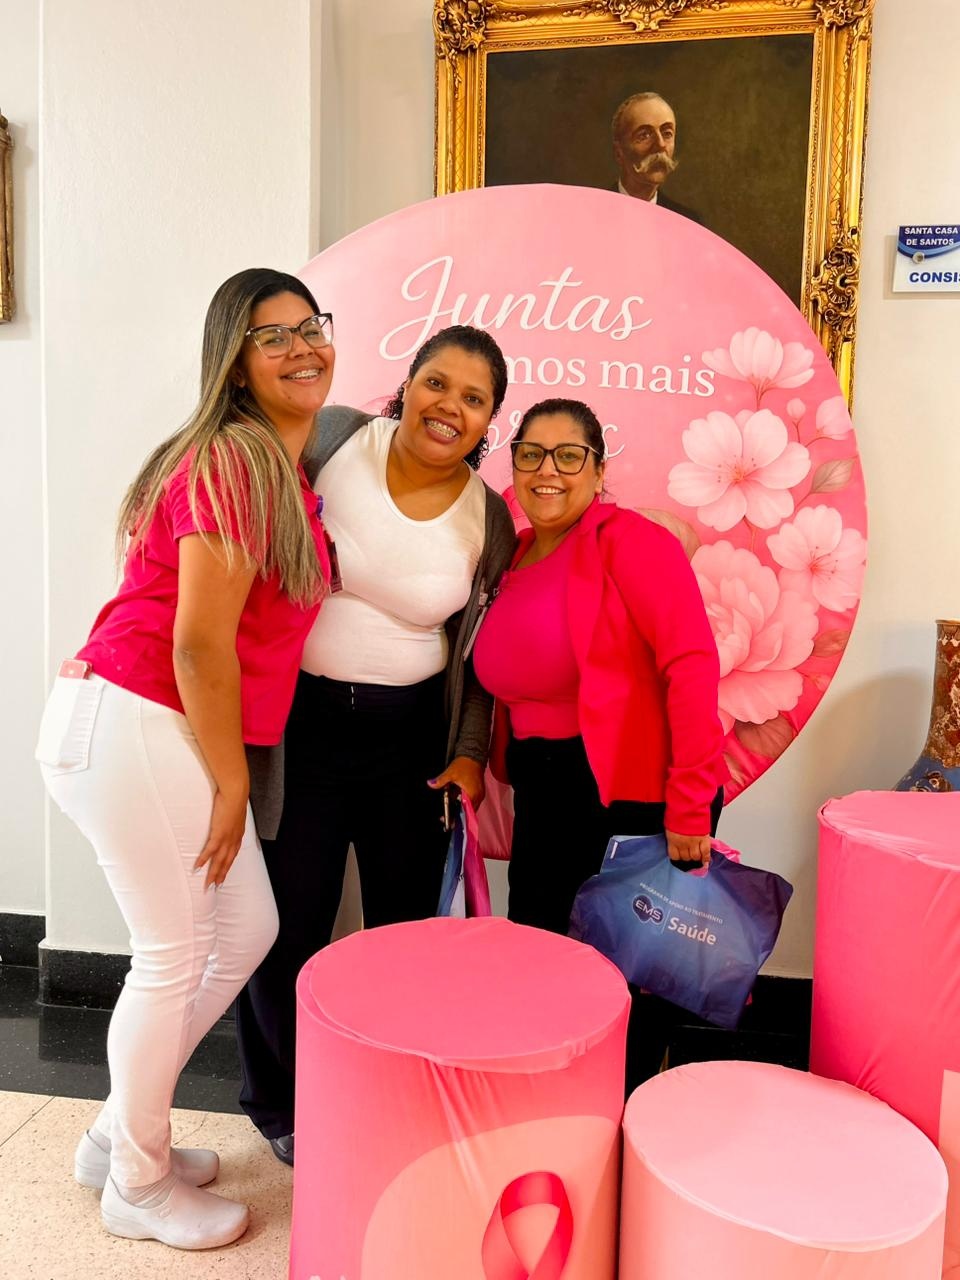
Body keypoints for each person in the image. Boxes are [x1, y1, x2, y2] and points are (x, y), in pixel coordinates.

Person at [35, 268, 336, 1249]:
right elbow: (200, 644)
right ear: (235, 364)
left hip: (150, 724)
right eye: (271, 336)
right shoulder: (238, 460)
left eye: (311, 326)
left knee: (245, 929)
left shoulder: (278, 469)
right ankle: (138, 1182)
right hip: (136, 717)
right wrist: (235, 780)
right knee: (171, 956)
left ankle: (118, 1134)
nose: (302, 347)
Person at [235, 324, 517, 1165]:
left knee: (403, 936)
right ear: (408, 385)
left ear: (489, 420)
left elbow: (481, 657)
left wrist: (469, 753)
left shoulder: (489, 518)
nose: (449, 407)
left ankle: (389, 1096)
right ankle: (280, 1106)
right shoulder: (332, 440)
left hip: (412, 743)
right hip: (303, 730)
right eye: (438, 383)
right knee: (284, 927)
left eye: (473, 399)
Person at [472, 397, 724, 1083]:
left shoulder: (631, 542)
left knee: (628, 976)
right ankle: (557, 1103)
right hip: (543, 783)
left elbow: (691, 664)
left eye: (568, 455)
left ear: (598, 469)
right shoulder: (514, 554)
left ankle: (624, 1109)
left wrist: (690, 804)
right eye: (530, 454)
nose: (546, 470)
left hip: (629, 791)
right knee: (543, 954)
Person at [612, 91, 704, 225]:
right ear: (619, 152)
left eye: (667, 133)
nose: (660, 144)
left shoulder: (687, 223)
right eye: (644, 135)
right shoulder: (591, 215)